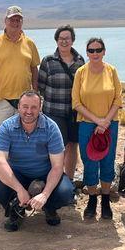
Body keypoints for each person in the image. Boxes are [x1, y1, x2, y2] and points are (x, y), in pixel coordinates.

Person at [0, 5, 40, 205]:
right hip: (1, 102)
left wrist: (36, 96)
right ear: (5, 21)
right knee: (0, 147)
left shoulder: (29, 43)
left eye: (18, 20)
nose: (15, 22)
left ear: (22, 22)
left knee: (24, 145)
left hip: (25, 104)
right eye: (12, 19)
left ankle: (21, 186)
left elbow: (34, 71)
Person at [0, 90, 74, 231]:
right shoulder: (7, 127)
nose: (29, 111)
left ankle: (49, 207)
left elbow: (57, 166)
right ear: (18, 107)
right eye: (25, 106)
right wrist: (19, 189)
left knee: (66, 192)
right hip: (17, 174)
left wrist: (45, 194)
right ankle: (17, 210)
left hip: (44, 174)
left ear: (40, 108)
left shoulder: (51, 128)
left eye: (34, 107)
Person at [72, 37, 122, 220]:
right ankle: (92, 199)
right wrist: (97, 121)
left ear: (104, 51)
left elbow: (118, 99)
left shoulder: (111, 71)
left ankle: (106, 200)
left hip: (110, 123)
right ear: (86, 53)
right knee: (89, 161)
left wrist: (105, 121)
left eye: (98, 50)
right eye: (91, 50)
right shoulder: (81, 73)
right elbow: (76, 102)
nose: (95, 53)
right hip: (87, 124)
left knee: (108, 161)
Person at [38, 25, 85, 181]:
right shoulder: (48, 61)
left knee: (73, 145)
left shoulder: (80, 61)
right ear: (56, 41)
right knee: (57, 147)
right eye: (61, 38)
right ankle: (54, 180)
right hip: (53, 112)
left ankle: (69, 180)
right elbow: (41, 87)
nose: (64, 41)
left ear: (72, 40)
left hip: (74, 112)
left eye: (67, 38)